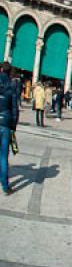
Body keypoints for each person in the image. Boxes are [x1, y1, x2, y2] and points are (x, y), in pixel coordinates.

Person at [0, 63, 19, 195]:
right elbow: (14, 110)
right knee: (3, 157)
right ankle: (6, 186)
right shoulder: (12, 87)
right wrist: (13, 126)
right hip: (5, 124)